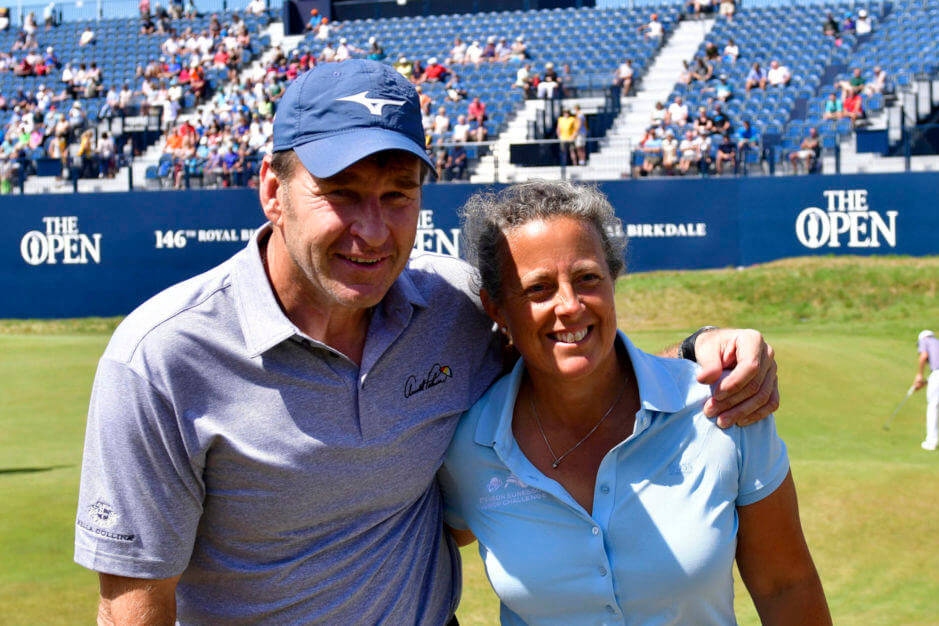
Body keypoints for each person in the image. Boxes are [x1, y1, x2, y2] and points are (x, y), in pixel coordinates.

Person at [75, 59, 780, 623]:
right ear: (271, 190)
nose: (374, 231)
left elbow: (575, 366)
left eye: (397, 194)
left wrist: (702, 349)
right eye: (342, 193)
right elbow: (135, 605)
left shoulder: (453, 306)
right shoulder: (162, 359)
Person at [439, 180, 830, 626]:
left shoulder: (723, 409)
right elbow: (440, 536)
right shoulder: (467, 448)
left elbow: (786, 586)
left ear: (613, 278)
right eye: (538, 289)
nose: (569, 305)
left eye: (587, 278)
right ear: (496, 309)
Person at [913, 330, 939, 451]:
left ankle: (931, 442)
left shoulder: (925, 340)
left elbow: (923, 356)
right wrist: (925, 383)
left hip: (936, 375)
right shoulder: (937, 342)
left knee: (933, 406)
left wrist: (919, 375)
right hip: (935, 375)